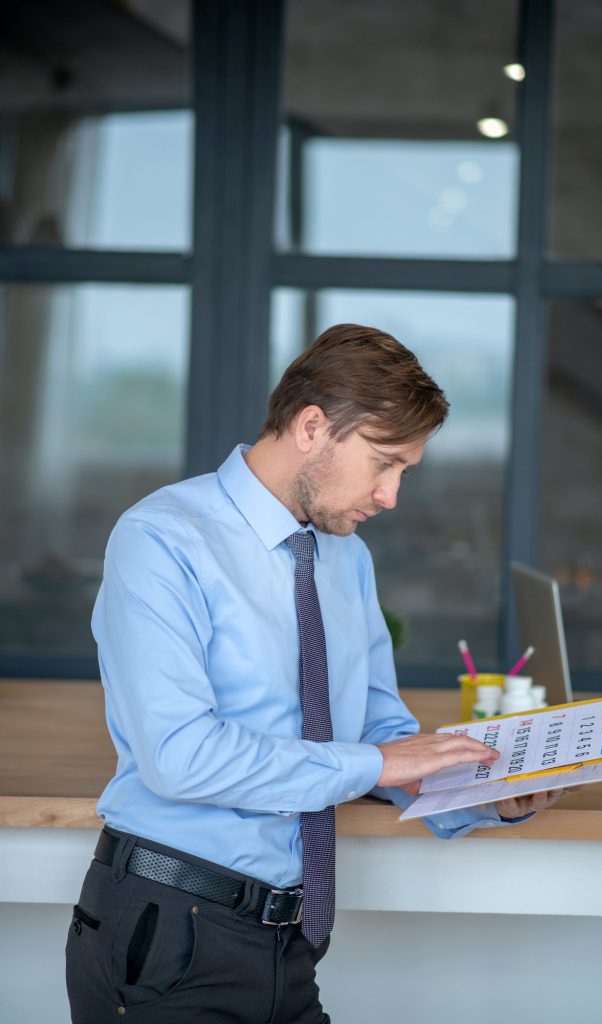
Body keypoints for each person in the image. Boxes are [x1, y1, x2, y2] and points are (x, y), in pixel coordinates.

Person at [65, 323, 564, 1023]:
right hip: (169, 933)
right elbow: (180, 758)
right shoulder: (161, 539)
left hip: (287, 945)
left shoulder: (346, 558)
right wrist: (378, 762)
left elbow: (380, 735)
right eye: (383, 463)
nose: (390, 496)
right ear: (311, 427)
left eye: (404, 472)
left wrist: (485, 790)